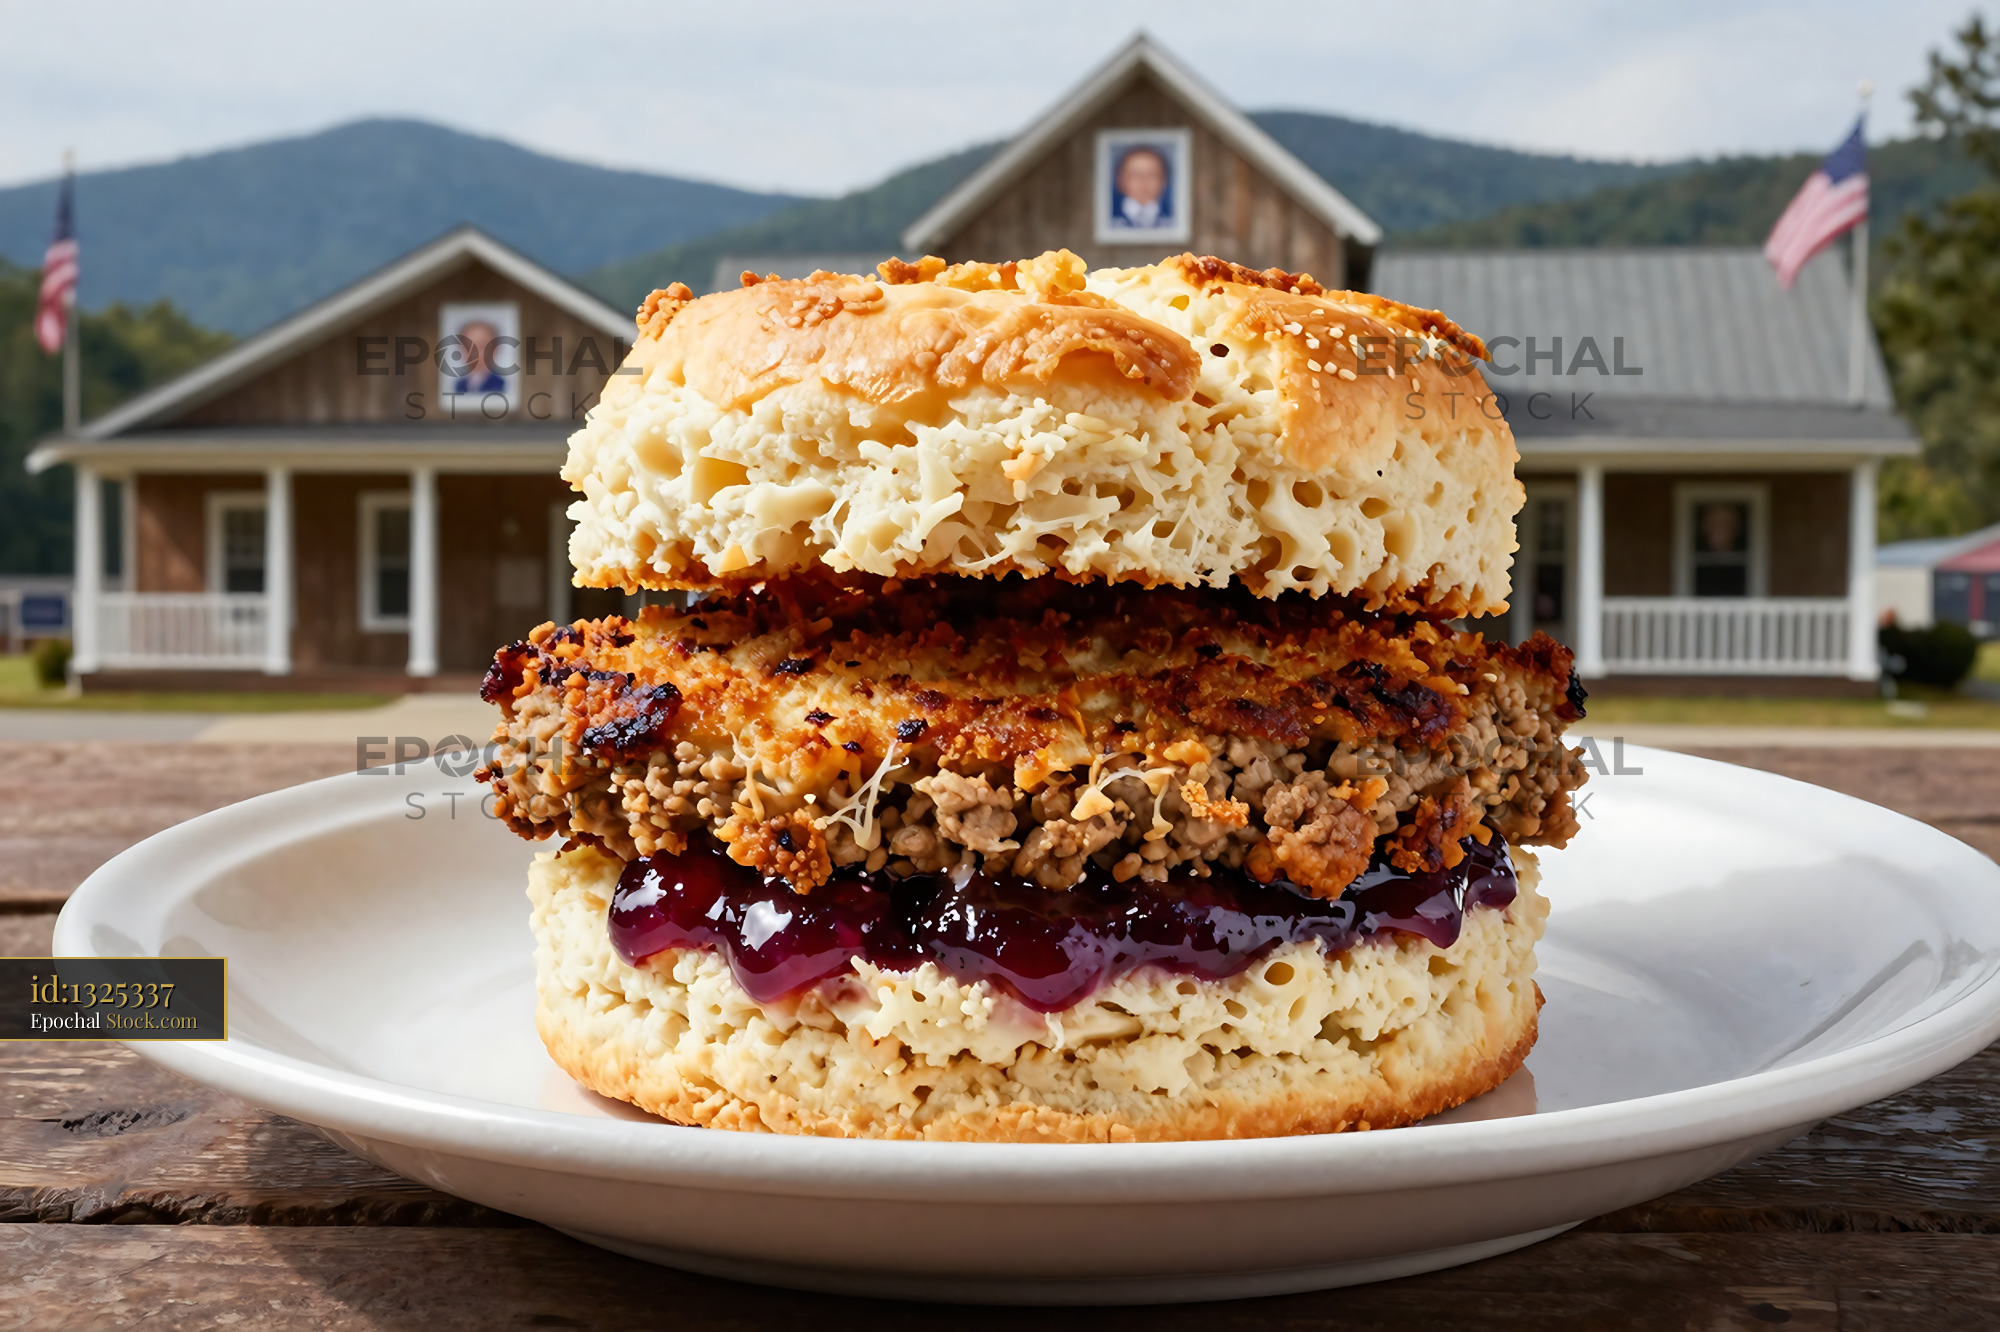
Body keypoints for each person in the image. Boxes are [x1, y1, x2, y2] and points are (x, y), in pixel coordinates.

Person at [1110, 145, 1172, 230]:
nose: (1143, 181)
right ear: (1121, 180)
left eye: (1151, 174)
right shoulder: (1108, 218)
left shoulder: (1174, 219)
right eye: (1135, 174)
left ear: (1163, 180)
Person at [448, 319, 507, 396]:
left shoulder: (502, 384)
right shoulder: (458, 385)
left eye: (481, 346)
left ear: (495, 349)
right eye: (468, 346)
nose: (474, 352)